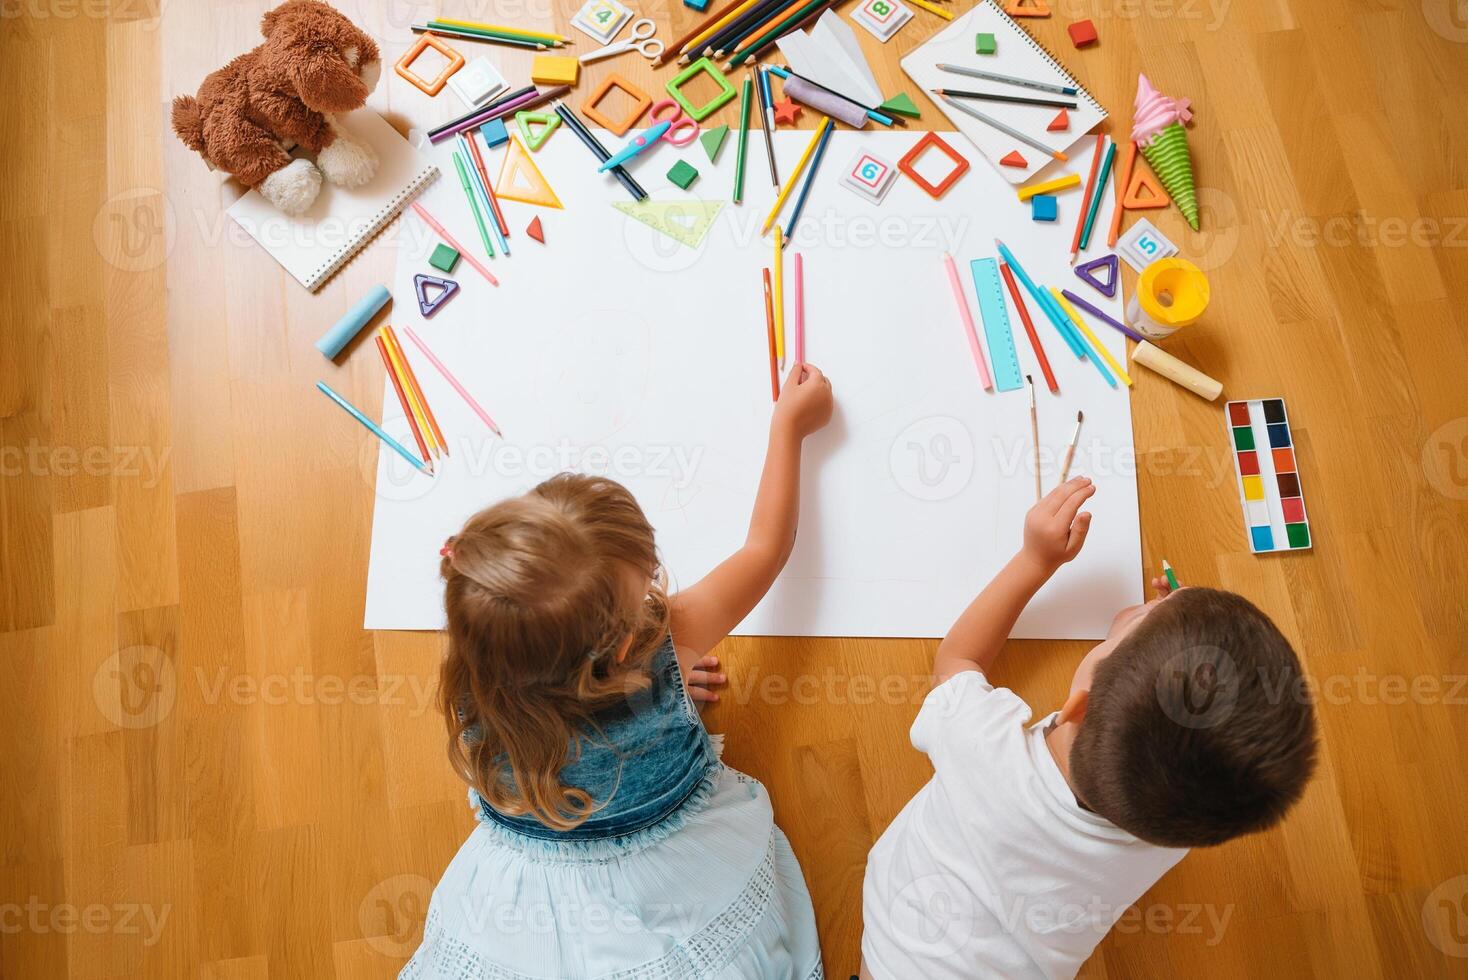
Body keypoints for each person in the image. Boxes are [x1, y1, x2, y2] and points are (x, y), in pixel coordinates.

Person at [403, 365, 835, 980]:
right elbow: (767, 548)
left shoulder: (481, 677)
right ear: (626, 644)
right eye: (646, 585)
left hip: (532, 905)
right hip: (674, 878)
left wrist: (673, 689)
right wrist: (789, 428)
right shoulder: (670, 638)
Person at [860, 477, 1318, 979]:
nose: (1140, 607)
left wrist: (1035, 560)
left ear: (1078, 705)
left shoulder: (981, 745)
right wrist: (1180, 636)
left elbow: (957, 659)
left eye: (1133, 621)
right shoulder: (1180, 823)